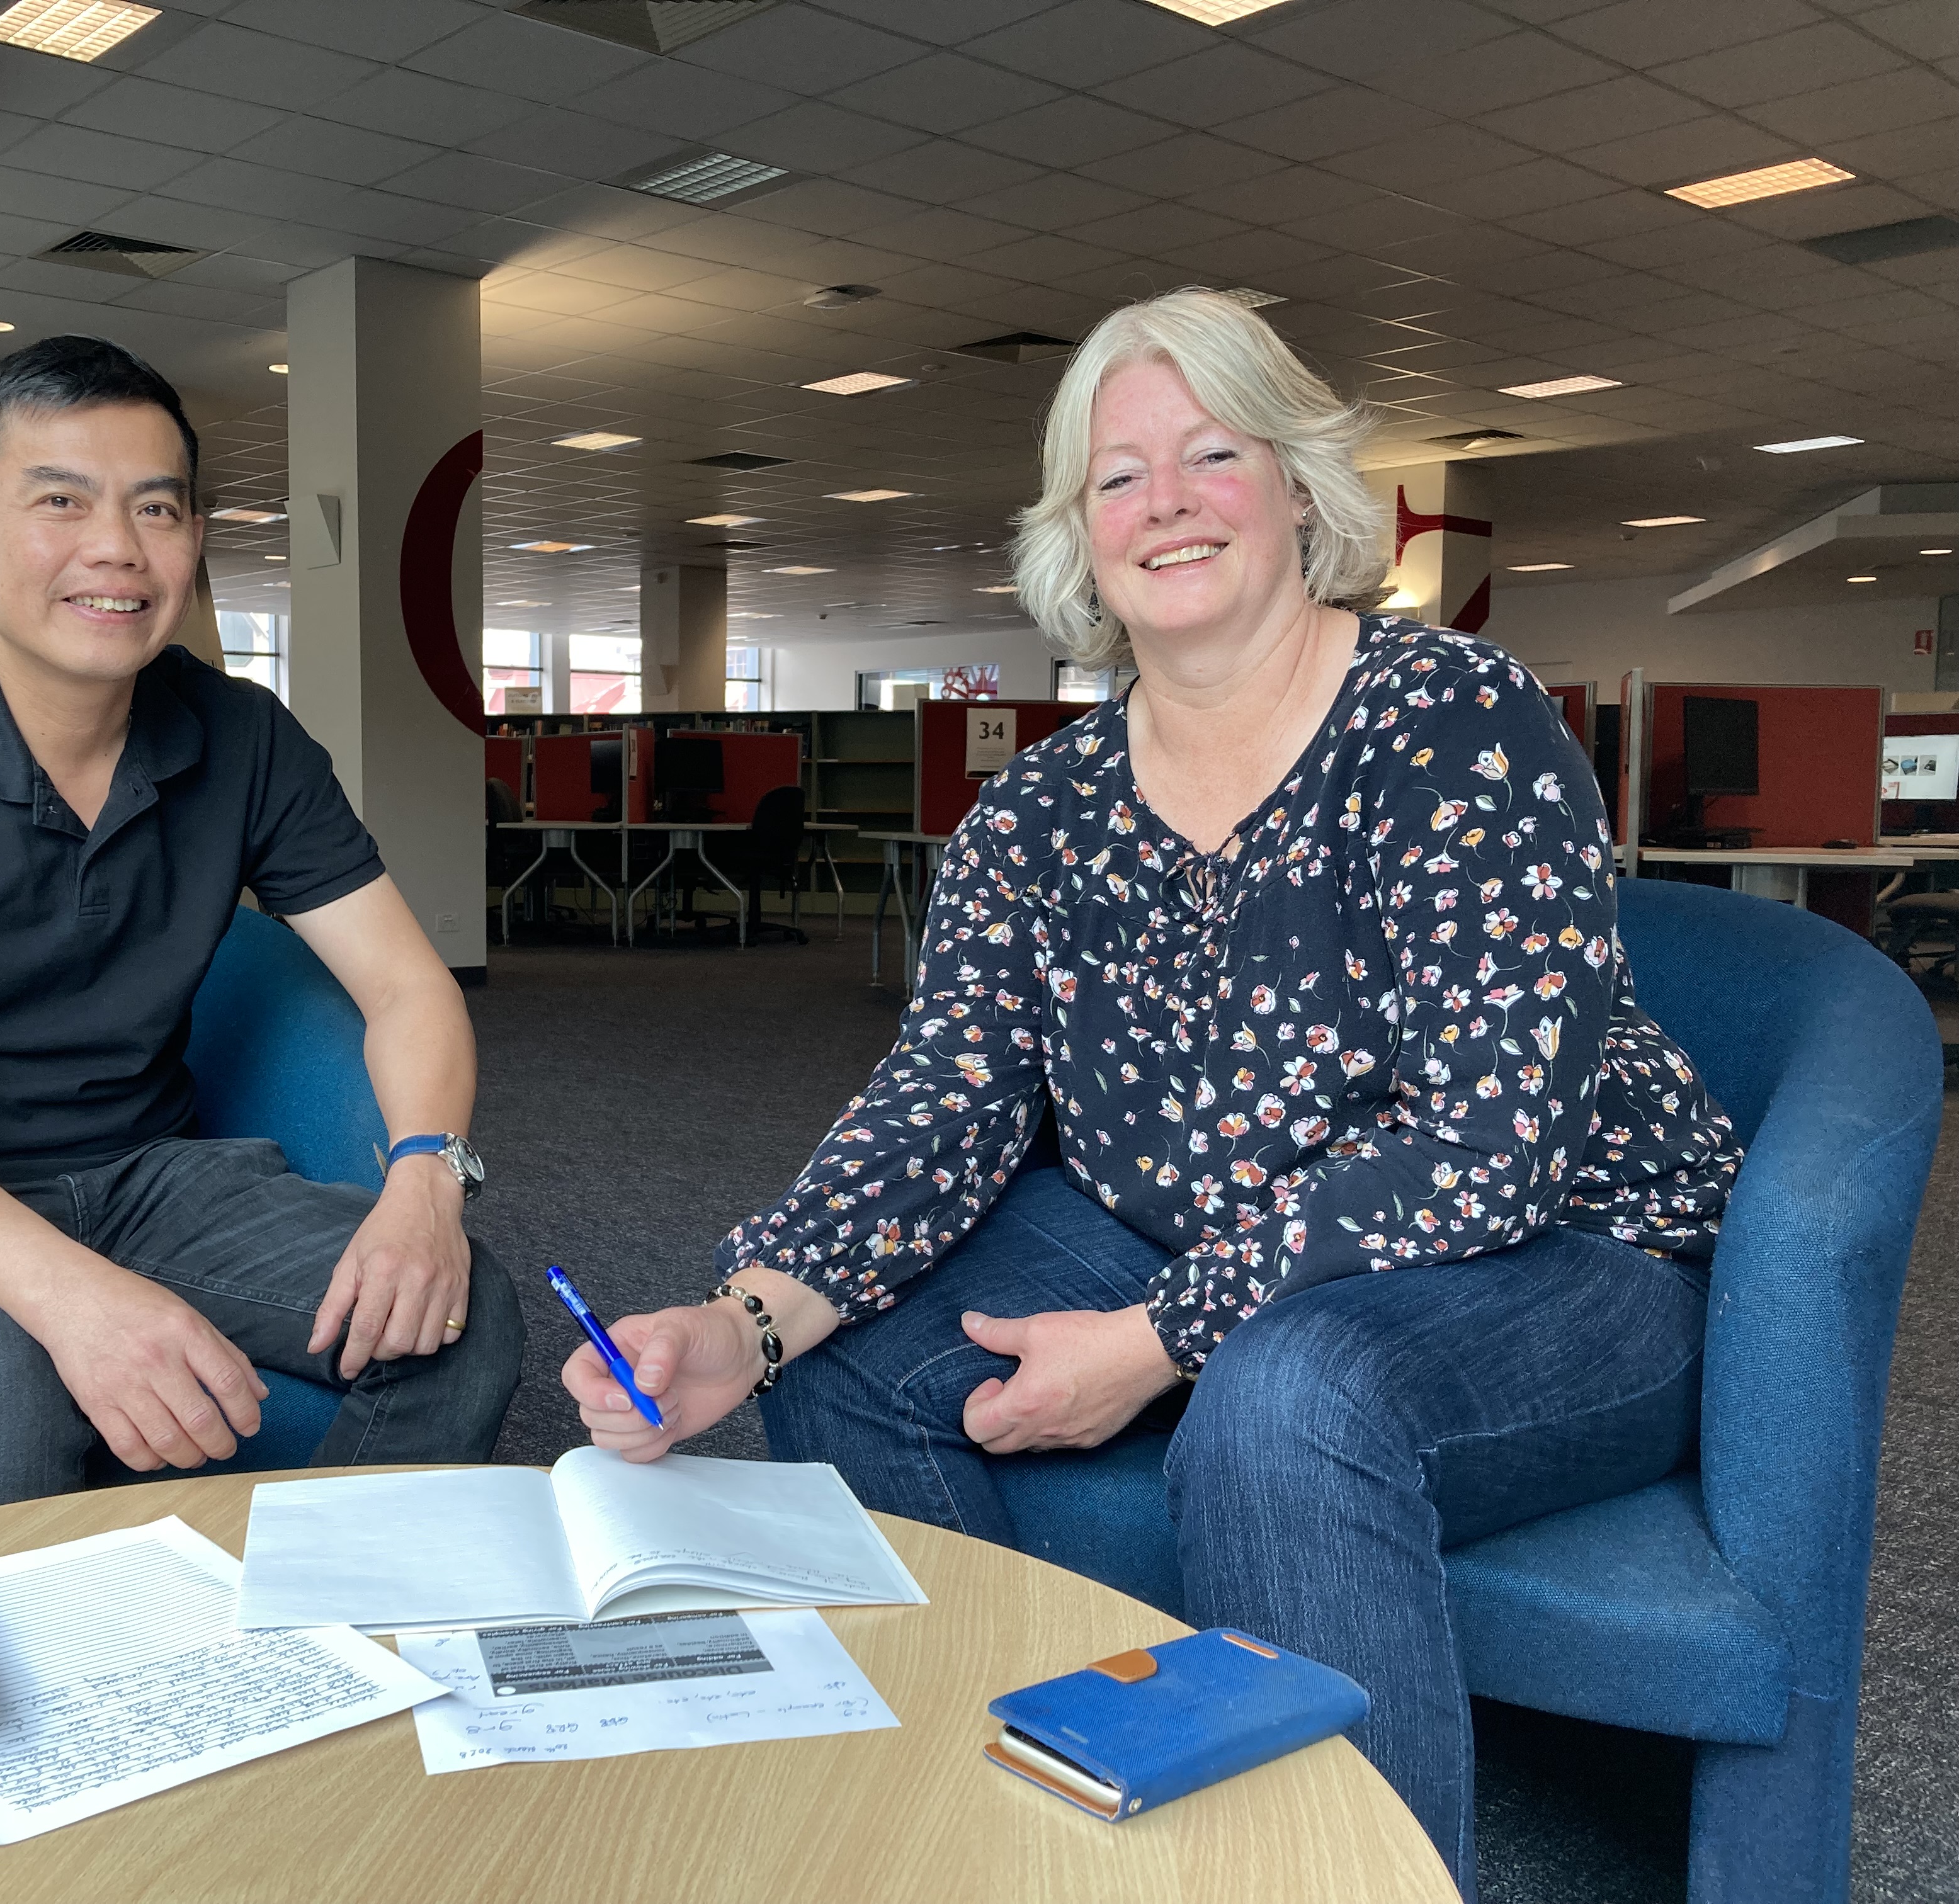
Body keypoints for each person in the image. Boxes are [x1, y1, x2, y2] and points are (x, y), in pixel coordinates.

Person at [561, 288, 1739, 1895]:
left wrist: (1163, 1336)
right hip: (1203, 1227)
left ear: (1307, 493)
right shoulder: (1037, 810)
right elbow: (943, 1101)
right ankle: (999, 1810)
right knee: (852, 1366)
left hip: (1554, 1259)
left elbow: (1490, 1146)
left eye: (1211, 454)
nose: (1166, 501)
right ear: (1079, 537)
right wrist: (745, 1320)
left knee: (1289, 1397)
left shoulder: (1452, 717)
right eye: (1118, 476)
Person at [0, 334, 520, 1521]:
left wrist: (425, 1184)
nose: (117, 548)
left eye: (157, 508)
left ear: (194, 537)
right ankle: (16, 1714)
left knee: (454, 1315)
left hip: (139, 1178)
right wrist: (76, 1299)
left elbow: (410, 989)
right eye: (60, 501)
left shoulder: (246, 739)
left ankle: (330, 1650)